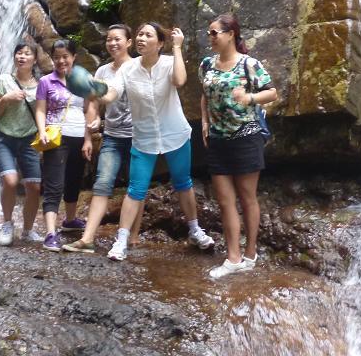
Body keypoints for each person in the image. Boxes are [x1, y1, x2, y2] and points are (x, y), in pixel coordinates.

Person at [96, 22, 215, 261]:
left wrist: (178, 48)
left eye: (147, 35)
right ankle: (121, 241)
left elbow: (180, 81)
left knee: (183, 182)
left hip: (175, 134)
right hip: (145, 137)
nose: (140, 38)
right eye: (139, 34)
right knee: (136, 189)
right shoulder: (127, 70)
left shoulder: (170, 62)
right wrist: (95, 90)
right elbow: (112, 94)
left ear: (160, 43)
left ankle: (194, 230)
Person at [199, 14, 277, 278]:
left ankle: (251, 252)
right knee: (224, 200)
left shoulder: (249, 64)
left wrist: (250, 97)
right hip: (218, 138)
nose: (210, 38)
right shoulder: (207, 64)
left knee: (246, 196)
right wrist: (205, 122)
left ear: (230, 34)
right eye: (209, 33)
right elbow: (204, 94)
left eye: (214, 33)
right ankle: (232, 258)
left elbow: (272, 92)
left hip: (246, 135)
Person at [62, 25, 143, 253]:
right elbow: (92, 105)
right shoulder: (102, 72)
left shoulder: (138, 67)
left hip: (138, 137)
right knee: (102, 183)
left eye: (117, 39)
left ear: (128, 42)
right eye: (109, 39)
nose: (112, 43)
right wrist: (91, 131)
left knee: (137, 186)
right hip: (113, 136)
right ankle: (87, 238)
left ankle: (133, 236)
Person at [34, 39, 90, 251]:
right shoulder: (46, 81)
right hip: (55, 136)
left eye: (65, 56)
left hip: (78, 135)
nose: (61, 61)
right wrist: (42, 132)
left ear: (74, 57)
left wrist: (87, 139)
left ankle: (70, 221)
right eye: (57, 57)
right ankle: (50, 233)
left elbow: (88, 110)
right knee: (54, 184)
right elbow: (40, 109)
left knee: (74, 180)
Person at [0, 42, 43, 246]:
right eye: (19, 53)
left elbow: (41, 112)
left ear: (35, 59)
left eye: (27, 54)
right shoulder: (4, 80)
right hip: (4, 138)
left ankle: (28, 230)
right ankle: (7, 223)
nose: (22, 57)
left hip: (29, 139)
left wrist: (43, 133)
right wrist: (5, 99)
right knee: (11, 181)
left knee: (34, 186)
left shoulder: (40, 85)